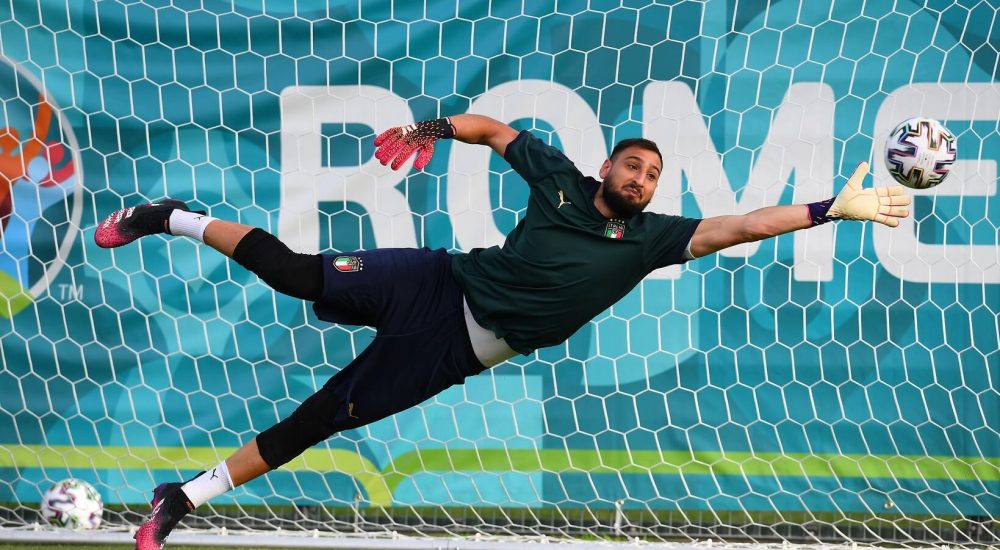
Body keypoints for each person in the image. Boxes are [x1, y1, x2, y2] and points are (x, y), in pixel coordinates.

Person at [94, 114, 911, 550]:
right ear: (606, 168)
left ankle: (182, 497)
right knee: (298, 273)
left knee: (322, 417)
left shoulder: (655, 239)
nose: (643, 178)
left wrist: (829, 209)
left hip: (459, 350)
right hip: (437, 281)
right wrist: (429, 129)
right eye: (633, 165)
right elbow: (491, 130)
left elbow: (742, 225)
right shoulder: (558, 180)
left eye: (655, 174)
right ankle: (169, 216)